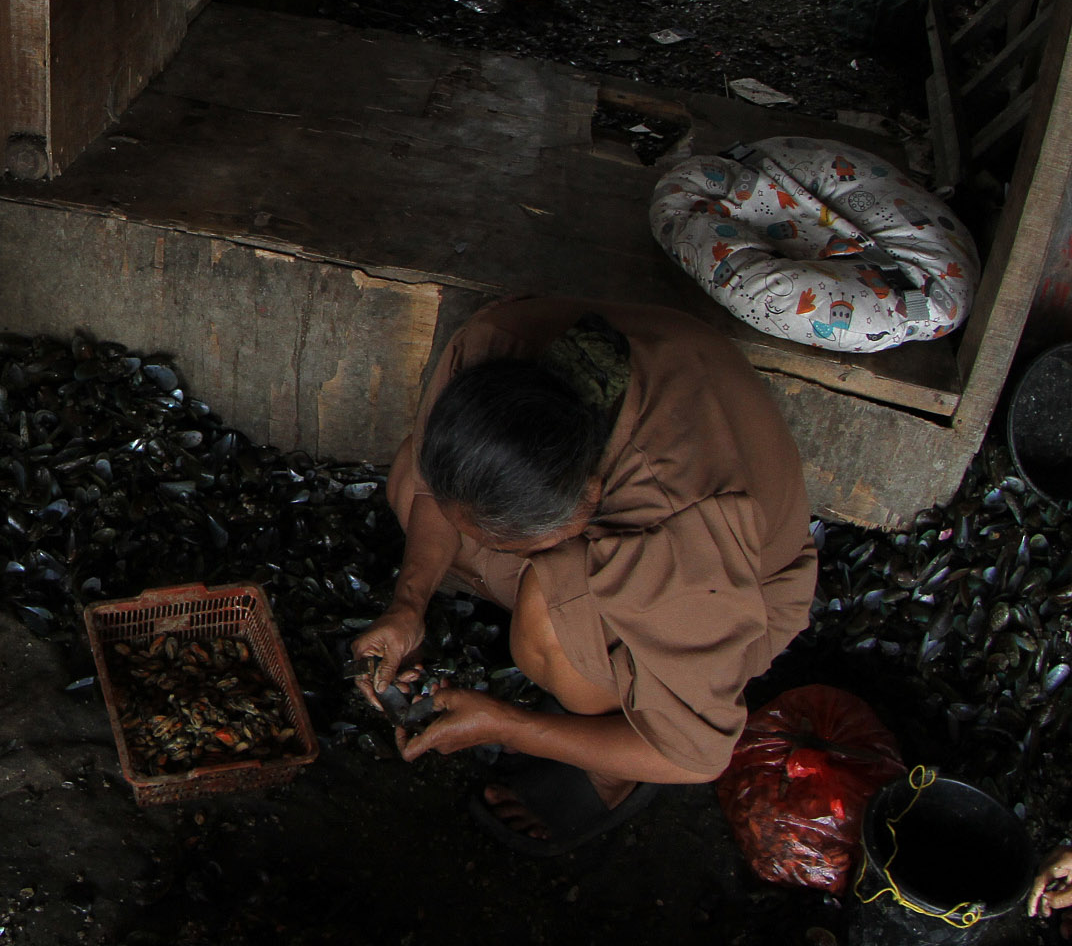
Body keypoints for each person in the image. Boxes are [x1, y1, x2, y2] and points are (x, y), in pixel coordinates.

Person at [349, 297, 816, 855]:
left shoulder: (676, 528)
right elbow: (434, 488)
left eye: (511, 544)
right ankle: (568, 674)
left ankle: (612, 759)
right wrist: (408, 605)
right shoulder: (485, 349)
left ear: (590, 498)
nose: (484, 548)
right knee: (414, 476)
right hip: (650, 472)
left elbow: (699, 758)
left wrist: (511, 726)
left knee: (550, 619)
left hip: (734, 588)